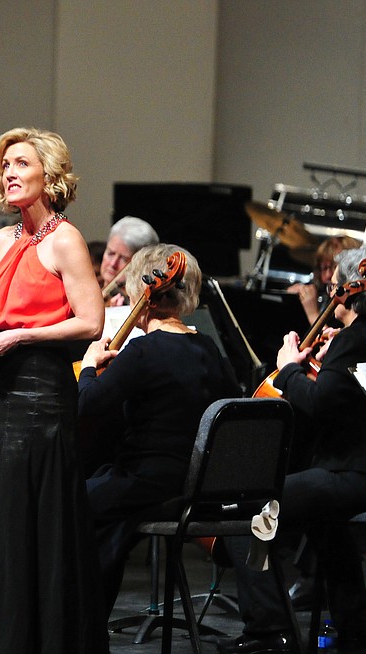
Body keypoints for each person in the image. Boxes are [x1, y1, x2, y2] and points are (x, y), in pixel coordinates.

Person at [0, 127, 108, 653]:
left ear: (49, 176)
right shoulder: (0, 239)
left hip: (40, 396)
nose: (8, 173)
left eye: (21, 164)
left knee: (28, 519)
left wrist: (22, 335)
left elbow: (91, 322)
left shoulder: (65, 240)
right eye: (5, 164)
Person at [218, 244, 366, 654]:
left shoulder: (356, 339)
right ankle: (354, 623)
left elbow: (318, 407)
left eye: (334, 287)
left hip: (361, 474)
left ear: (349, 290)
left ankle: (268, 629)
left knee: (249, 507)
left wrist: (290, 367)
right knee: (323, 519)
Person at [79, 244, 241, 617]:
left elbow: (86, 405)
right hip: (197, 484)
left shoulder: (142, 352)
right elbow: (233, 407)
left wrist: (89, 365)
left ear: (141, 292)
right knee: (109, 515)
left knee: (70, 501)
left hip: (151, 482)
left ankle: (78, 622)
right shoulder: (208, 349)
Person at [287, 235, 361, 324]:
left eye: (334, 267)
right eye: (323, 268)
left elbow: (337, 337)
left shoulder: (356, 308)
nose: (327, 275)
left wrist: (313, 314)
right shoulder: (324, 295)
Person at [99, 215, 159, 306]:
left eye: (123, 258)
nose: (113, 264)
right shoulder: (88, 288)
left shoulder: (134, 305)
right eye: (110, 253)